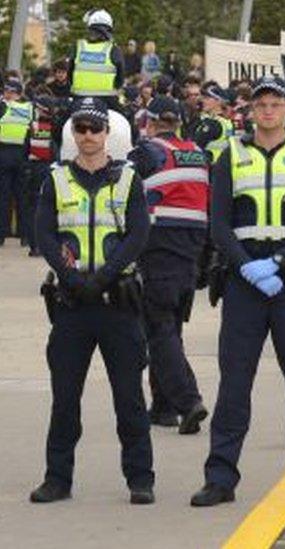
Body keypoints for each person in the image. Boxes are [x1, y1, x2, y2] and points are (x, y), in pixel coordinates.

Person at [191, 75, 285, 510]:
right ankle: (220, 478)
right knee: (235, 384)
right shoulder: (230, 155)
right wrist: (248, 267)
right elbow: (218, 223)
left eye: (275, 103)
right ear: (251, 111)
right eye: (261, 105)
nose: (268, 111)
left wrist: (277, 263)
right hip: (244, 282)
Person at [30, 97, 153, 504]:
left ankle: (140, 479)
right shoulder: (55, 179)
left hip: (117, 302)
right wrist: (71, 278)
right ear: (73, 134)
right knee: (65, 399)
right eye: (80, 128)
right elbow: (43, 234)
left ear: (107, 134)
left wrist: (101, 277)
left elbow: (138, 235)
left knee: (129, 398)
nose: (87, 136)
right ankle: (57, 479)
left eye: (94, 129)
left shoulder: (129, 179)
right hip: (72, 305)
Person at [127, 96, 210, 434]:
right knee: (171, 329)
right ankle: (162, 407)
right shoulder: (198, 152)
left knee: (158, 330)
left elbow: (122, 189)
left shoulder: (147, 151)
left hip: (159, 246)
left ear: (150, 121)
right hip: (191, 249)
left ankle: (188, 401)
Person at [67, 9, 125, 112]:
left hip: (79, 100)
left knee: (60, 124)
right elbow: (120, 79)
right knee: (127, 121)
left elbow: (69, 74)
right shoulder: (114, 49)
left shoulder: (78, 47)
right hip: (107, 102)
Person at [23, 94, 58, 256]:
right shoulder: (59, 126)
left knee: (33, 208)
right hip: (53, 170)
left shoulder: (34, 127)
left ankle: (34, 245)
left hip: (36, 170)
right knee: (52, 208)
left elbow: (26, 150)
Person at [0, 79, 31, 246]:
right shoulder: (28, 108)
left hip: (4, 154)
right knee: (22, 197)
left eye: (9, 91)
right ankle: (24, 235)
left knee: (4, 197)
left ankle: (1, 234)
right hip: (23, 155)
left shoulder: (3, 107)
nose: (7, 94)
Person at [192, 82, 236, 163]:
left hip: (210, 166)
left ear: (218, 101)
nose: (203, 101)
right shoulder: (227, 122)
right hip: (223, 165)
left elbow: (195, 146)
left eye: (207, 98)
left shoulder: (211, 124)